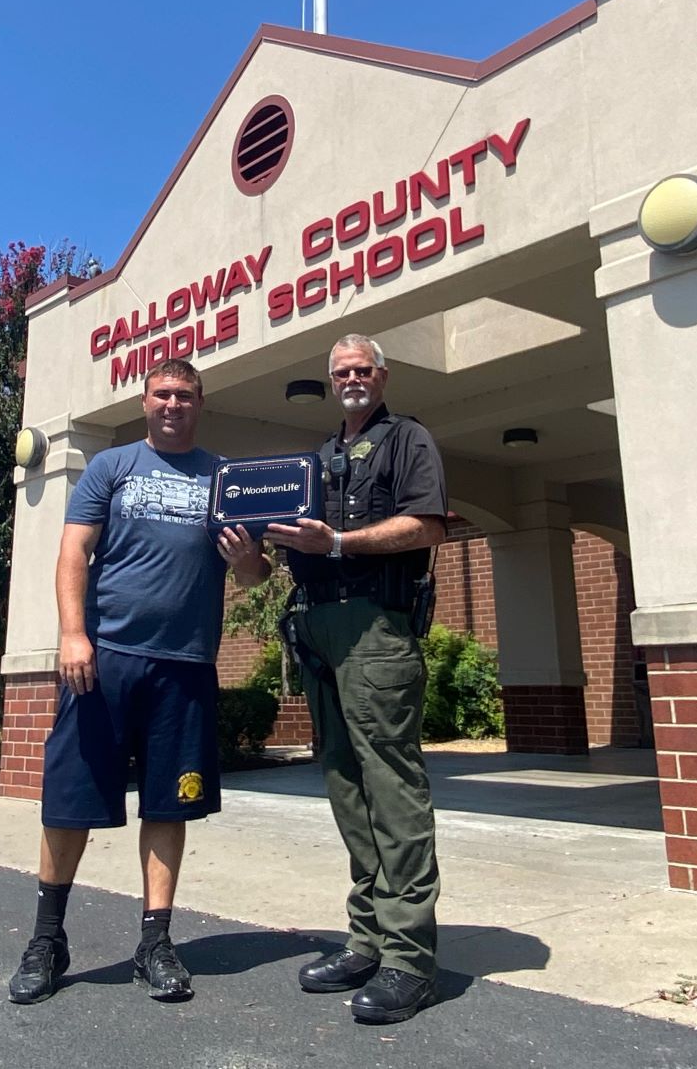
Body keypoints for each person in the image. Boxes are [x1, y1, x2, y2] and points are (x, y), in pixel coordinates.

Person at [8, 358, 266, 1005]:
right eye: (162, 394)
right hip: (105, 660)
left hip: (184, 666)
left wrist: (248, 561)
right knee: (71, 802)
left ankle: (155, 941)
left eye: (184, 394)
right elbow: (73, 552)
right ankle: (47, 938)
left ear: (199, 403)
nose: (172, 403)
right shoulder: (111, 467)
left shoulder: (224, 477)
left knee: (167, 803)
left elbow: (255, 578)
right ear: (145, 401)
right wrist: (73, 634)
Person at [267, 334, 446, 1025]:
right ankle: (366, 937)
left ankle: (409, 958)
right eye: (340, 371)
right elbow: (282, 538)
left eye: (362, 369)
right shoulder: (317, 458)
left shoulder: (408, 440)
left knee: (392, 788)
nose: (351, 379)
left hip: (376, 626)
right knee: (346, 785)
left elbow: (427, 525)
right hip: (317, 629)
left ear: (382, 375)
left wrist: (339, 543)